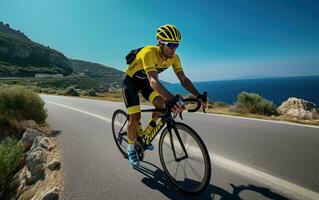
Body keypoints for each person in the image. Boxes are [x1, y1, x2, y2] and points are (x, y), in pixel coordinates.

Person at [122, 24, 207, 167]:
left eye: (177, 45)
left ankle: (146, 135)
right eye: (171, 45)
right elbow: (153, 81)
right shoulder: (148, 52)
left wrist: (198, 95)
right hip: (130, 83)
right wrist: (172, 99)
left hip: (145, 85)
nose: (174, 49)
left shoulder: (174, 58)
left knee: (162, 105)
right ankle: (130, 149)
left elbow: (184, 80)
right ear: (160, 43)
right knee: (135, 117)